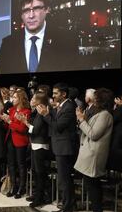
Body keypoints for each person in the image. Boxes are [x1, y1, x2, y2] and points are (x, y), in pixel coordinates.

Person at [0, 0, 78, 74]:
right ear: (21, 14)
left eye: (36, 8)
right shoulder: (8, 44)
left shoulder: (66, 40)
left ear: (47, 9)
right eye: (26, 10)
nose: (31, 15)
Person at [39, 83, 78, 212]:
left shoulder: (69, 106)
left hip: (65, 147)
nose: (53, 96)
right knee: (64, 178)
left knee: (64, 179)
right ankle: (69, 203)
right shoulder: (62, 106)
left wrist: (45, 115)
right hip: (59, 146)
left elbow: (58, 126)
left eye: (56, 93)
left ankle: (68, 206)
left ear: (64, 94)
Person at [75, 88, 114, 212]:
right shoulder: (100, 113)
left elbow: (94, 134)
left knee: (93, 186)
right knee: (91, 186)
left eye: (96, 98)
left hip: (94, 154)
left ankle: (97, 209)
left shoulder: (105, 115)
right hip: (89, 153)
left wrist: (81, 120)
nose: (94, 99)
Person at [1, 89, 31, 199]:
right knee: (11, 165)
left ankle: (21, 188)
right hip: (10, 140)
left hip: (20, 141)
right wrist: (5, 120)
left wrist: (10, 122)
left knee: (21, 165)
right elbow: (9, 127)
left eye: (14, 97)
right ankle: (13, 186)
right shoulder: (12, 110)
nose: (12, 99)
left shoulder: (26, 111)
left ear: (20, 99)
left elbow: (22, 129)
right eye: (12, 97)